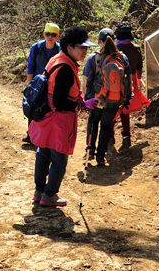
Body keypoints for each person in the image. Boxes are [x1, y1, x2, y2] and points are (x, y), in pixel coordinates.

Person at [29, 26, 96, 207]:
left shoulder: (56, 59)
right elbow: (59, 101)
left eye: (86, 48)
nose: (84, 51)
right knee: (59, 159)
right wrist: (82, 105)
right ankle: (49, 195)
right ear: (69, 47)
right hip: (58, 121)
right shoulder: (66, 68)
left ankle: (39, 191)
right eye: (80, 47)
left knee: (42, 154)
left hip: (45, 118)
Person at [83, 29, 132, 166]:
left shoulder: (94, 58)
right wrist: (126, 98)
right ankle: (100, 156)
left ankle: (90, 151)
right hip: (114, 100)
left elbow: (87, 80)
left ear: (99, 41)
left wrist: (87, 99)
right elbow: (129, 80)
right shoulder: (122, 58)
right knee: (106, 127)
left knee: (93, 123)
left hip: (98, 99)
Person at [24, 22, 61, 144]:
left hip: (53, 84)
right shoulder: (36, 48)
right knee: (33, 108)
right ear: (43, 34)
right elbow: (31, 66)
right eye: (48, 34)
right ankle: (31, 135)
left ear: (57, 36)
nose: (50, 37)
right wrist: (30, 85)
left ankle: (45, 137)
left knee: (49, 111)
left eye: (53, 35)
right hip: (37, 84)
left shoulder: (60, 50)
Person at [114, 22, 143, 149]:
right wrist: (137, 81)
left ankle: (110, 135)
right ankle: (126, 136)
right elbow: (139, 68)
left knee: (112, 108)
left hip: (115, 81)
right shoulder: (136, 48)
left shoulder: (114, 48)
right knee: (125, 110)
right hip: (130, 81)